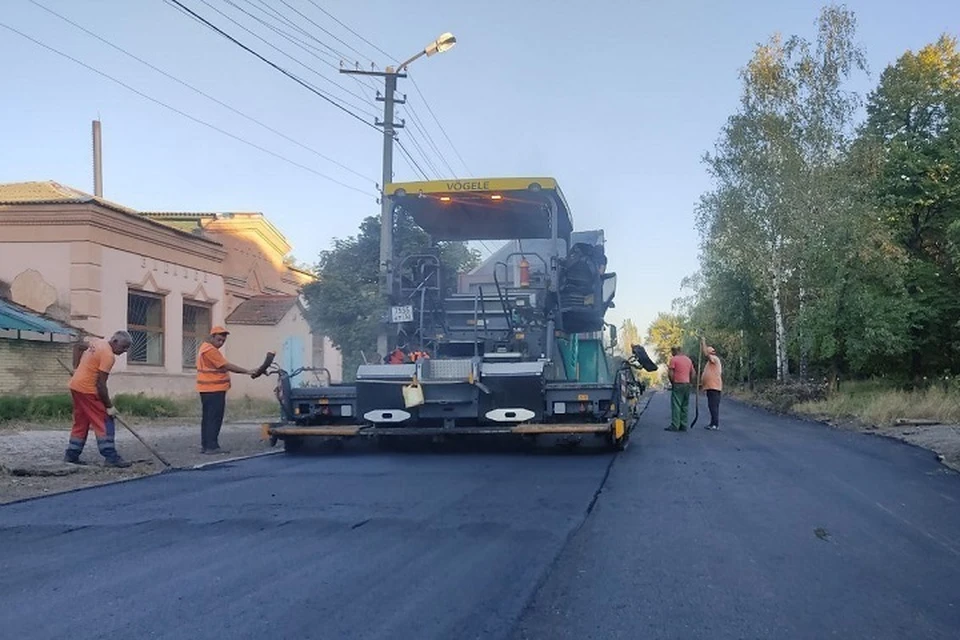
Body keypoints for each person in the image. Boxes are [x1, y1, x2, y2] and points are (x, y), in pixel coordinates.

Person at [64, 331, 133, 467]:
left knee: (81, 421)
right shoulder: (108, 356)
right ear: (115, 342)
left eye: (127, 348)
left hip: (75, 386)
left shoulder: (98, 343)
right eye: (123, 347)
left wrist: (76, 368)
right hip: (87, 390)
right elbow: (101, 385)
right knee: (104, 421)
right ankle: (111, 456)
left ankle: (71, 454)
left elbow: (78, 346)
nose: (124, 351)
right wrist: (109, 406)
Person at [196, 326, 255, 454]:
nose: (221, 343)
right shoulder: (210, 351)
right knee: (214, 418)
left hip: (207, 389)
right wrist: (247, 371)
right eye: (219, 340)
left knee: (207, 418)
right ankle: (212, 446)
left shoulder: (204, 348)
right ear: (212, 337)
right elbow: (226, 365)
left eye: (223, 340)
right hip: (214, 389)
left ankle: (206, 445)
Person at [667, 345, 696, 431]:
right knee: (685, 405)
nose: (672, 354)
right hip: (687, 384)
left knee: (676, 404)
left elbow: (670, 373)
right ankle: (683, 425)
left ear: (674, 351)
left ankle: (675, 425)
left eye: (672, 352)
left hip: (678, 384)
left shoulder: (674, 359)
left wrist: (673, 382)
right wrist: (690, 382)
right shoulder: (688, 360)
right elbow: (693, 373)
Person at [700, 336, 723, 430]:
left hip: (714, 387)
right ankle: (713, 423)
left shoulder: (714, 359)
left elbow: (706, 354)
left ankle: (715, 424)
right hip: (711, 387)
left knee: (713, 406)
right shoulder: (710, 362)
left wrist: (703, 342)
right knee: (712, 406)